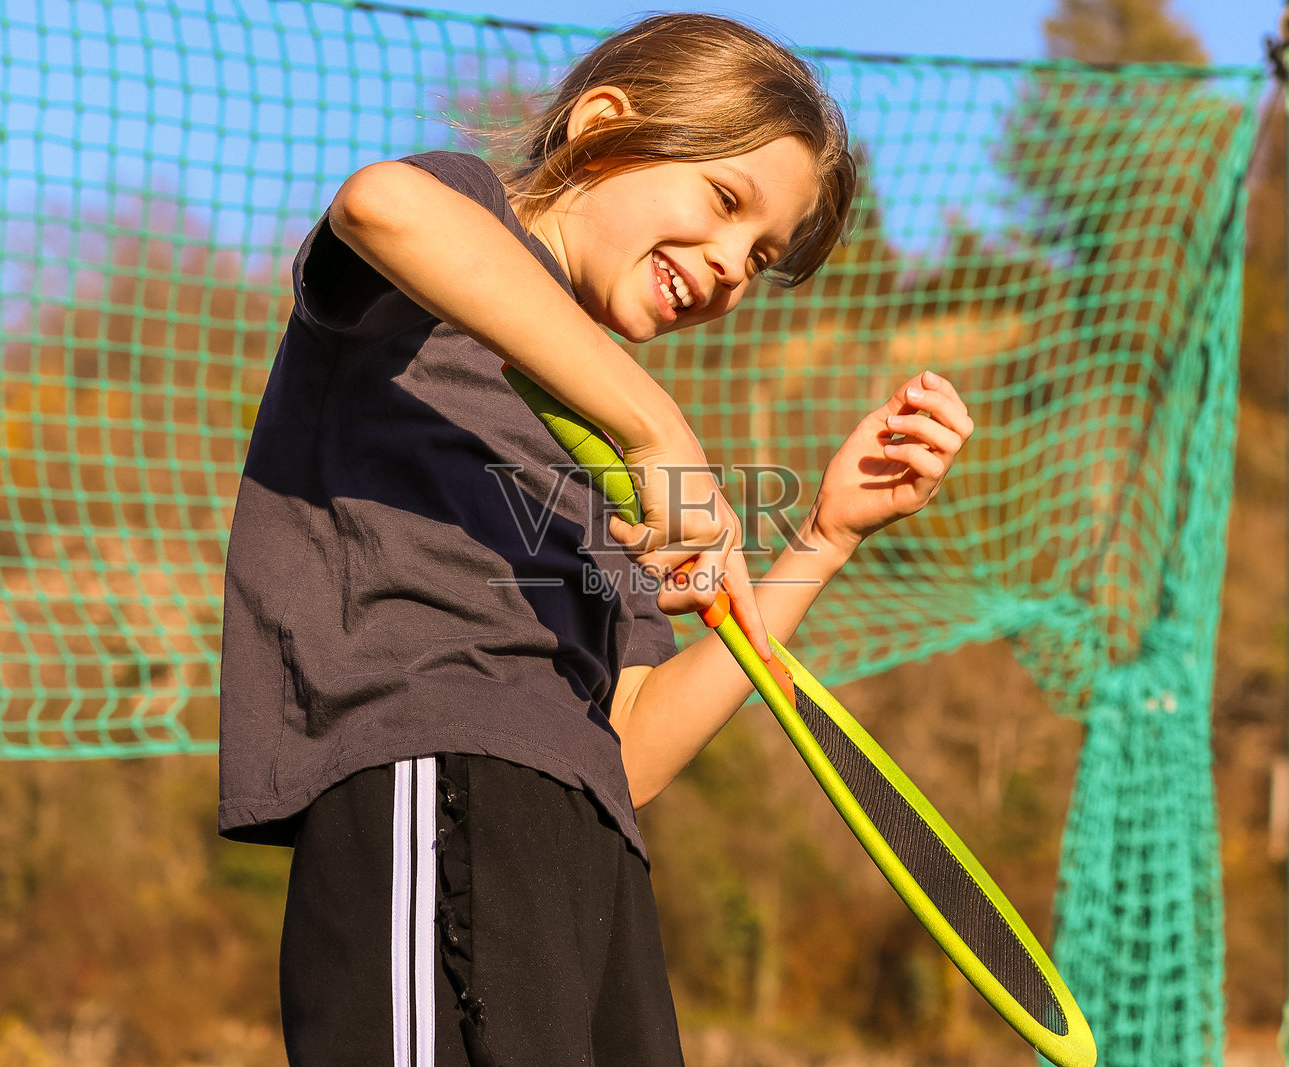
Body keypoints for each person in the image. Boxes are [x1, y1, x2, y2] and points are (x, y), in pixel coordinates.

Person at [217, 12, 973, 1066]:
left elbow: (634, 745)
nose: (731, 267)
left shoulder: (612, 458)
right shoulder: (465, 226)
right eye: (725, 201)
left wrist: (823, 537)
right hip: (435, 779)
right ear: (603, 125)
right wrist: (657, 427)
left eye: (761, 256)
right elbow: (380, 206)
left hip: (588, 850)